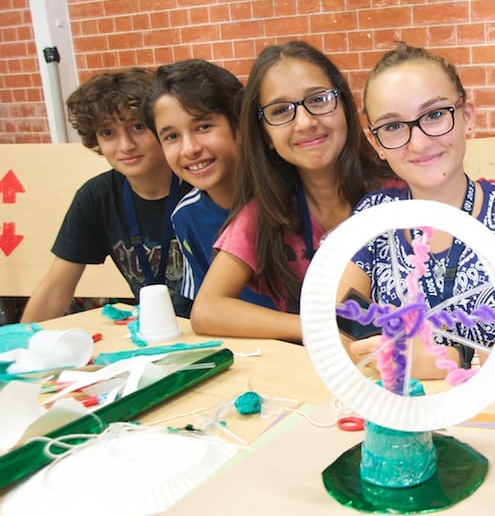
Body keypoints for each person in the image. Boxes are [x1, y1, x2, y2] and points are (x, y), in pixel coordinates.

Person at [341, 42, 495, 406]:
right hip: (412, 412)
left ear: (467, 116)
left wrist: (450, 360)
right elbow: (341, 335)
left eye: (435, 115)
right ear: (376, 142)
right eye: (393, 126)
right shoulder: (373, 218)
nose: (419, 142)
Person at [190, 41, 392, 342]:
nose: (306, 122)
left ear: (345, 108)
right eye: (281, 110)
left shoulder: (398, 195)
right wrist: (322, 330)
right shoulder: (266, 212)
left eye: (319, 99)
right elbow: (206, 311)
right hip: (316, 365)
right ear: (266, 136)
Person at [22, 67, 188, 323]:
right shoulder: (96, 196)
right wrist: (22, 342)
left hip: (218, 331)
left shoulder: (199, 184)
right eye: (108, 133)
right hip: (155, 331)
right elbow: (56, 289)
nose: (126, 145)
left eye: (138, 127)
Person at [143, 59, 275, 310]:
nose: (190, 149)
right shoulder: (185, 216)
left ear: (240, 125)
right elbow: (205, 309)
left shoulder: (289, 197)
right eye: (172, 136)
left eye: (203, 127)